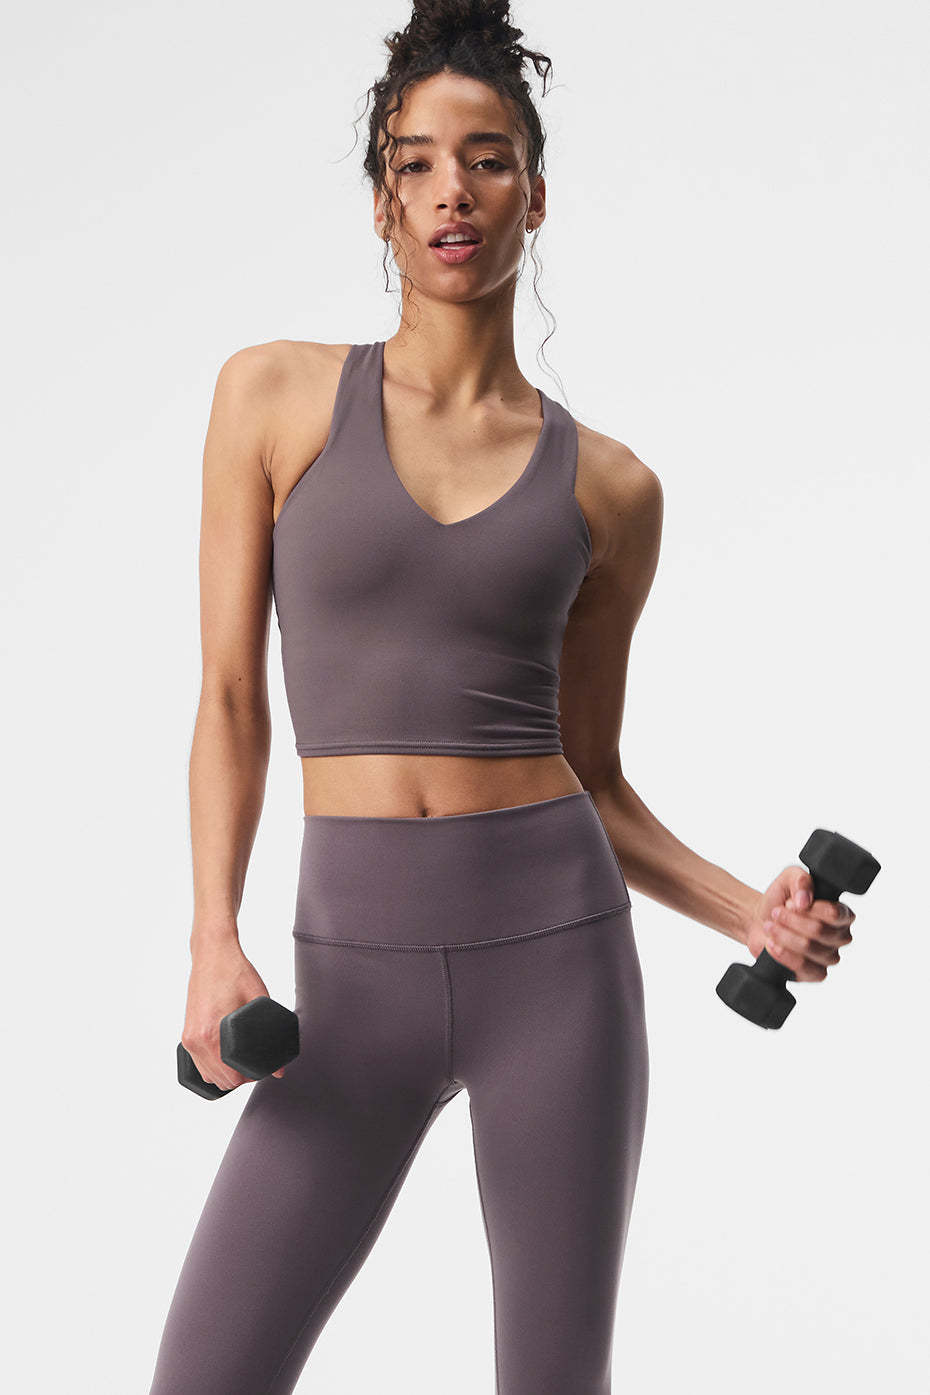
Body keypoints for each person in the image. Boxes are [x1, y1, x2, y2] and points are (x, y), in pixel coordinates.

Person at [147, 2, 855, 1391]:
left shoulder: (613, 490)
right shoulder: (273, 399)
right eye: (413, 164)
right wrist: (211, 939)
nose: (450, 192)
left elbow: (593, 775)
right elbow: (229, 696)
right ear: (379, 204)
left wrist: (748, 915)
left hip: (558, 968)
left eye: (485, 159)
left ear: (534, 192)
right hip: (348, 981)